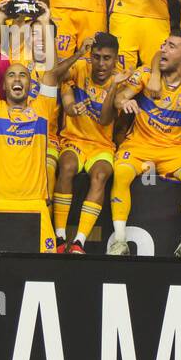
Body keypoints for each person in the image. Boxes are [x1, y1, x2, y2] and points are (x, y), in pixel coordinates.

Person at [100, 30, 181, 258]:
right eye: (164, 44)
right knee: (122, 172)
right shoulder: (146, 74)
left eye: (171, 46)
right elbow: (119, 99)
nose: (163, 49)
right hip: (138, 146)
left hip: (173, 150)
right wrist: (125, 101)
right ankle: (119, 241)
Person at [0, 3, 79, 253]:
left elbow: (51, 72)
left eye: (23, 75)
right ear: (4, 85)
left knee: (42, 272)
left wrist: (45, 24)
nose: (17, 79)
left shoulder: (42, 109)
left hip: (36, 205)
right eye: (11, 75)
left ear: (29, 83)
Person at [52, 33, 126, 254]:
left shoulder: (122, 81)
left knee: (101, 175)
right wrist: (79, 54)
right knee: (66, 167)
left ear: (116, 58)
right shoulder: (80, 67)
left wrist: (113, 86)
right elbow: (55, 77)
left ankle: (79, 242)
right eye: (96, 57)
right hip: (73, 140)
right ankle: (59, 237)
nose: (101, 64)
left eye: (107, 58)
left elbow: (105, 119)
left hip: (101, 145)